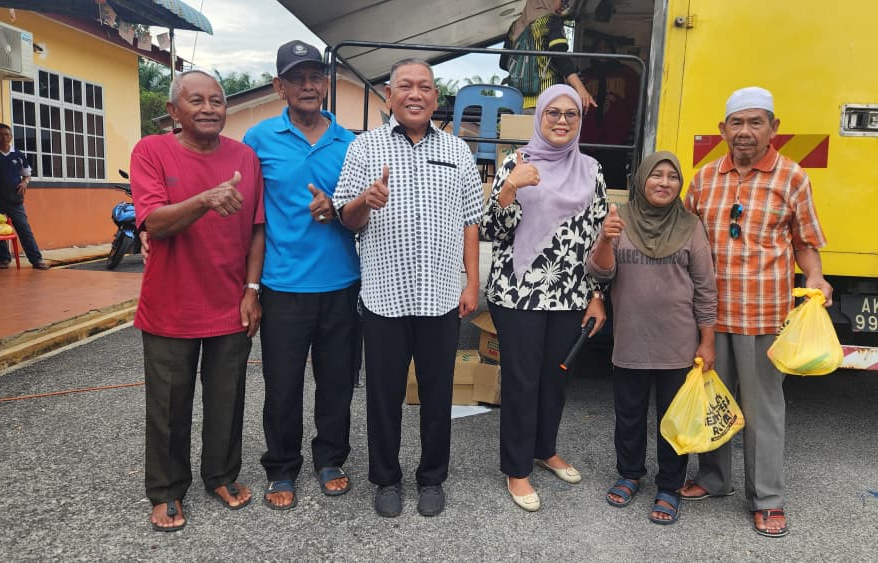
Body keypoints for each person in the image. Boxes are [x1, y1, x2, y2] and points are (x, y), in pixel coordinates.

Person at [680, 86, 832, 538]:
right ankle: (713, 479)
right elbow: (684, 237)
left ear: (773, 128)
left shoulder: (792, 178)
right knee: (716, 402)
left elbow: (805, 242)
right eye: (737, 123)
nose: (745, 131)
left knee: (763, 410)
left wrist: (815, 276)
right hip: (710, 316)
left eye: (755, 122)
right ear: (723, 129)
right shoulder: (704, 179)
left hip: (764, 316)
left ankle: (767, 499)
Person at [332, 59, 482, 518]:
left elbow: (470, 220)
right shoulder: (364, 148)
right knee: (384, 396)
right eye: (405, 86)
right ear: (389, 95)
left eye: (424, 87)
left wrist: (472, 283)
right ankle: (386, 479)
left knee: (438, 395)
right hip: (384, 297)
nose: (415, 94)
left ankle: (432, 478)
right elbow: (346, 217)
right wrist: (365, 200)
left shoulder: (458, 151)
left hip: (441, 296)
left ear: (435, 98)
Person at [130, 70, 265, 532]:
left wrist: (252, 290)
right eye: (196, 100)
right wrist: (205, 199)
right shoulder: (151, 151)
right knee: (168, 405)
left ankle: (221, 476)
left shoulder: (245, 157)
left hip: (230, 302)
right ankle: (167, 490)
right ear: (174, 110)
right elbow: (153, 222)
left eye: (217, 100)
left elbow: (257, 229)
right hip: (169, 306)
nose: (209, 108)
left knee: (227, 399)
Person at [242, 41, 361, 510]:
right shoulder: (258, 140)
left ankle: (330, 459)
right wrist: (250, 287)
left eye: (315, 77)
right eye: (297, 78)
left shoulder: (350, 143)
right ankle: (281, 466)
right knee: (283, 385)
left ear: (325, 84)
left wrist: (337, 209)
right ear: (280, 86)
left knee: (337, 382)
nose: (308, 86)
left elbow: (361, 213)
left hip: (341, 283)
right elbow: (250, 216)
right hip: (283, 286)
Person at [480, 84, 607, 512]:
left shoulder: (591, 170)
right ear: (540, 117)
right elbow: (492, 230)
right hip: (518, 294)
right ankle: (517, 468)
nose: (562, 121)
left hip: (570, 295)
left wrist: (597, 295)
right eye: (553, 112)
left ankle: (544, 449)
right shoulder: (516, 162)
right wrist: (509, 189)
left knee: (556, 378)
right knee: (522, 381)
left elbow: (597, 238)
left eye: (571, 114)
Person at [586, 151, 717, 524]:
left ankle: (670, 486)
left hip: (679, 343)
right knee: (628, 414)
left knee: (674, 419)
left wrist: (707, 341)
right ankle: (629, 474)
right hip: (631, 338)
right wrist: (606, 239)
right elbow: (600, 273)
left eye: (672, 177)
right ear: (642, 180)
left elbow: (706, 288)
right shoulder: (620, 219)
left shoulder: (690, 225)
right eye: (656, 175)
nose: (664, 183)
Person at [500, 0, 597, 113]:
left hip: (517, 102)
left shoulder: (514, 27)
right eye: (563, 1)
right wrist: (580, 88)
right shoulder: (551, 20)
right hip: (547, 100)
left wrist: (523, 72)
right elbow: (560, 57)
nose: (564, 6)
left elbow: (503, 63)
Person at [0, 123, 49, 270]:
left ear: (11, 136)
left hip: (14, 199)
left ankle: (36, 260)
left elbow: (27, 175)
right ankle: (4, 259)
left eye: (7, 134)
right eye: (0, 134)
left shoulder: (19, 155)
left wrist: (24, 183)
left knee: (24, 229)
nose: (4, 137)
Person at [579, 37, 640, 189]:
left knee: (615, 182)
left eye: (607, 48)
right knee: (587, 181)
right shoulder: (584, 76)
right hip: (588, 139)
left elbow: (635, 105)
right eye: (599, 48)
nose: (603, 51)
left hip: (617, 139)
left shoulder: (628, 74)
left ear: (613, 51)